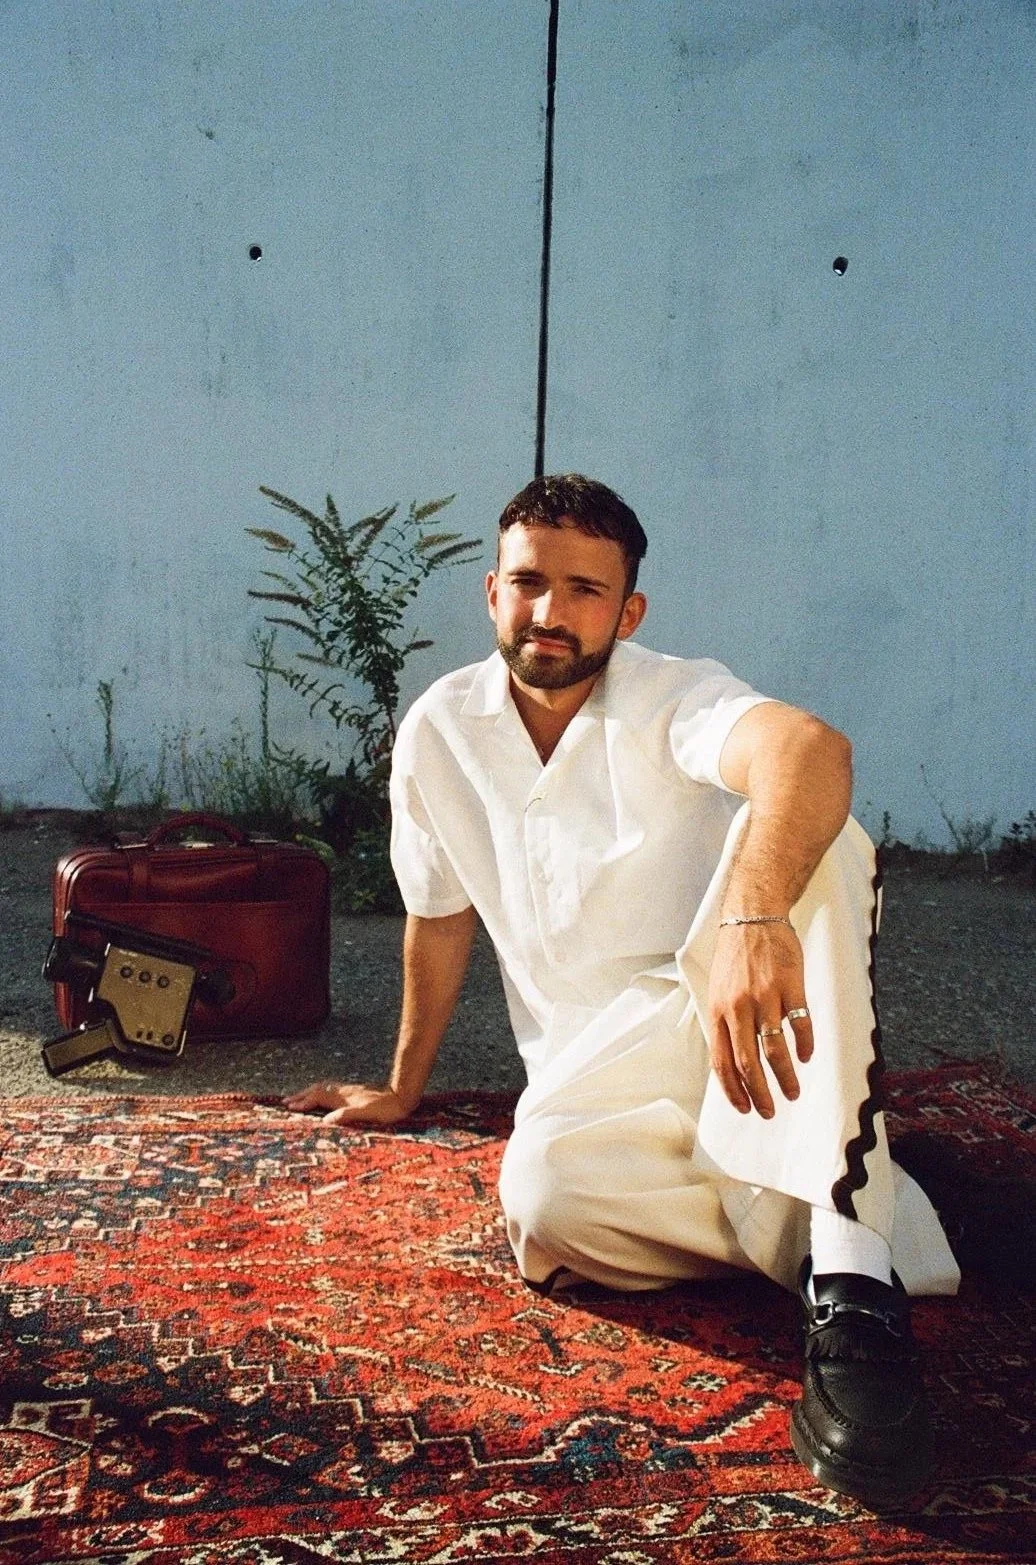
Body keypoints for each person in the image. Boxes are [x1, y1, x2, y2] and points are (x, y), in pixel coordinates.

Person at [285, 473, 959, 1510]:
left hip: (732, 1021)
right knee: (544, 1204)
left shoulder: (669, 692)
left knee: (815, 841)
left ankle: (851, 1277)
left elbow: (810, 750)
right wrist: (402, 1085)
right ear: (491, 591)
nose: (550, 612)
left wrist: (749, 915)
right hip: (594, 1079)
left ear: (627, 610)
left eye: (584, 590)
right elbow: (437, 911)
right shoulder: (438, 729)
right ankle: (839, 1185)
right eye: (528, 582)